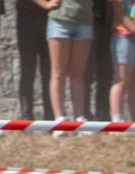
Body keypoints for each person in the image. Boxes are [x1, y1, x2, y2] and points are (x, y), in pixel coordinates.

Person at [38, 0, 95, 134]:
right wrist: (44, 4)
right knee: (58, 73)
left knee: (78, 74)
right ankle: (59, 120)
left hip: (84, 20)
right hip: (59, 20)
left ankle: (79, 119)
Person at [17, 0, 55, 120]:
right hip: (27, 17)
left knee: (49, 72)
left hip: (50, 18)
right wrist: (44, 4)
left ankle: (50, 118)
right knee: (27, 70)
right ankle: (26, 117)